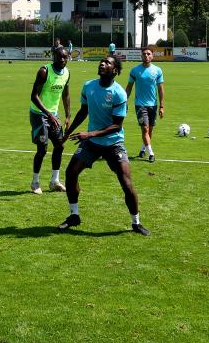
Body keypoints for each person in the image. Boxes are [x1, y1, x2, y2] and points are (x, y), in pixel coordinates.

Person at [58, 54, 150, 236]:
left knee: (126, 182)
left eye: (107, 63)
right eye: (102, 61)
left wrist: (89, 133)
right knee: (71, 172)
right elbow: (83, 111)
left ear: (114, 71)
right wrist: (68, 132)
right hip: (91, 143)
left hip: (113, 143)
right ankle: (74, 215)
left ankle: (136, 223)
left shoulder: (119, 93)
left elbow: (117, 125)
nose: (102, 63)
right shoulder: (88, 86)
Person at [29, 47, 71, 194]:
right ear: (53, 57)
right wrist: (48, 114)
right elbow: (34, 96)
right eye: (59, 57)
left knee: (59, 146)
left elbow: (66, 93)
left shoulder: (66, 73)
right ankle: (35, 182)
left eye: (65, 57)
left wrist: (67, 115)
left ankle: (55, 181)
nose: (62, 60)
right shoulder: (44, 71)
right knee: (42, 149)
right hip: (38, 114)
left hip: (53, 115)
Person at [125, 46, 165, 162]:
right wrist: (124, 101)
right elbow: (129, 88)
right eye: (144, 54)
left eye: (148, 54)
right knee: (145, 129)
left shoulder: (158, 70)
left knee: (150, 129)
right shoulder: (135, 70)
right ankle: (151, 154)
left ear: (152, 56)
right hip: (140, 104)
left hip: (153, 104)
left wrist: (162, 106)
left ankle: (143, 149)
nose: (146, 56)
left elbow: (161, 89)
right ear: (141, 56)